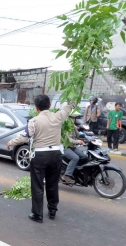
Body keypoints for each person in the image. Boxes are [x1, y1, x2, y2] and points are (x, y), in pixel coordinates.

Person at [7, 94, 76, 223]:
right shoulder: (58, 116)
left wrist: (11, 142)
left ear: (36, 107)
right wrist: (74, 97)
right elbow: (69, 107)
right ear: (49, 105)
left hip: (40, 156)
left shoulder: (33, 121)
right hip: (56, 154)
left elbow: (24, 137)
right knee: (53, 184)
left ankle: (37, 215)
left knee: (37, 185)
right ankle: (52, 210)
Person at [62, 110, 88, 184]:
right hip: (65, 147)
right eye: (73, 118)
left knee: (84, 157)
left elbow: (78, 135)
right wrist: (78, 141)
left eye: (75, 118)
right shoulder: (65, 127)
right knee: (75, 158)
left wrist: (87, 137)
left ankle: (74, 171)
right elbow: (69, 140)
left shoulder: (73, 126)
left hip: (72, 147)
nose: (74, 119)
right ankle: (67, 175)